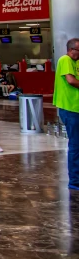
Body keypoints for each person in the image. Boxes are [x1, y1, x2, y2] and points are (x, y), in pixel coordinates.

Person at [54, 38, 79, 191]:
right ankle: (75, 181)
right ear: (71, 50)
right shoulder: (65, 59)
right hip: (70, 109)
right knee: (75, 145)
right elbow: (70, 80)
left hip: (76, 108)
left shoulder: (76, 62)